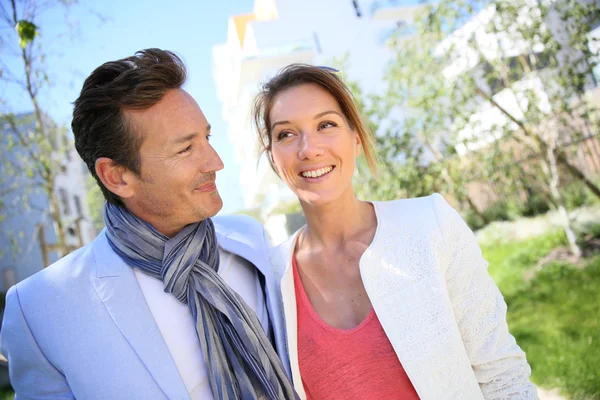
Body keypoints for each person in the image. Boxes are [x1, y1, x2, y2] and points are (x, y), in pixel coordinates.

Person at [0, 49, 296, 400]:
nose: (215, 163)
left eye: (207, 138)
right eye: (186, 149)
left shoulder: (250, 242)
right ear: (117, 176)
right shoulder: (41, 309)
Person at [252, 64, 539, 400]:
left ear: (355, 140)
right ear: (273, 159)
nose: (309, 148)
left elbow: (501, 372)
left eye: (326, 124)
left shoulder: (431, 224)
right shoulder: (269, 279)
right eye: (286, 134)